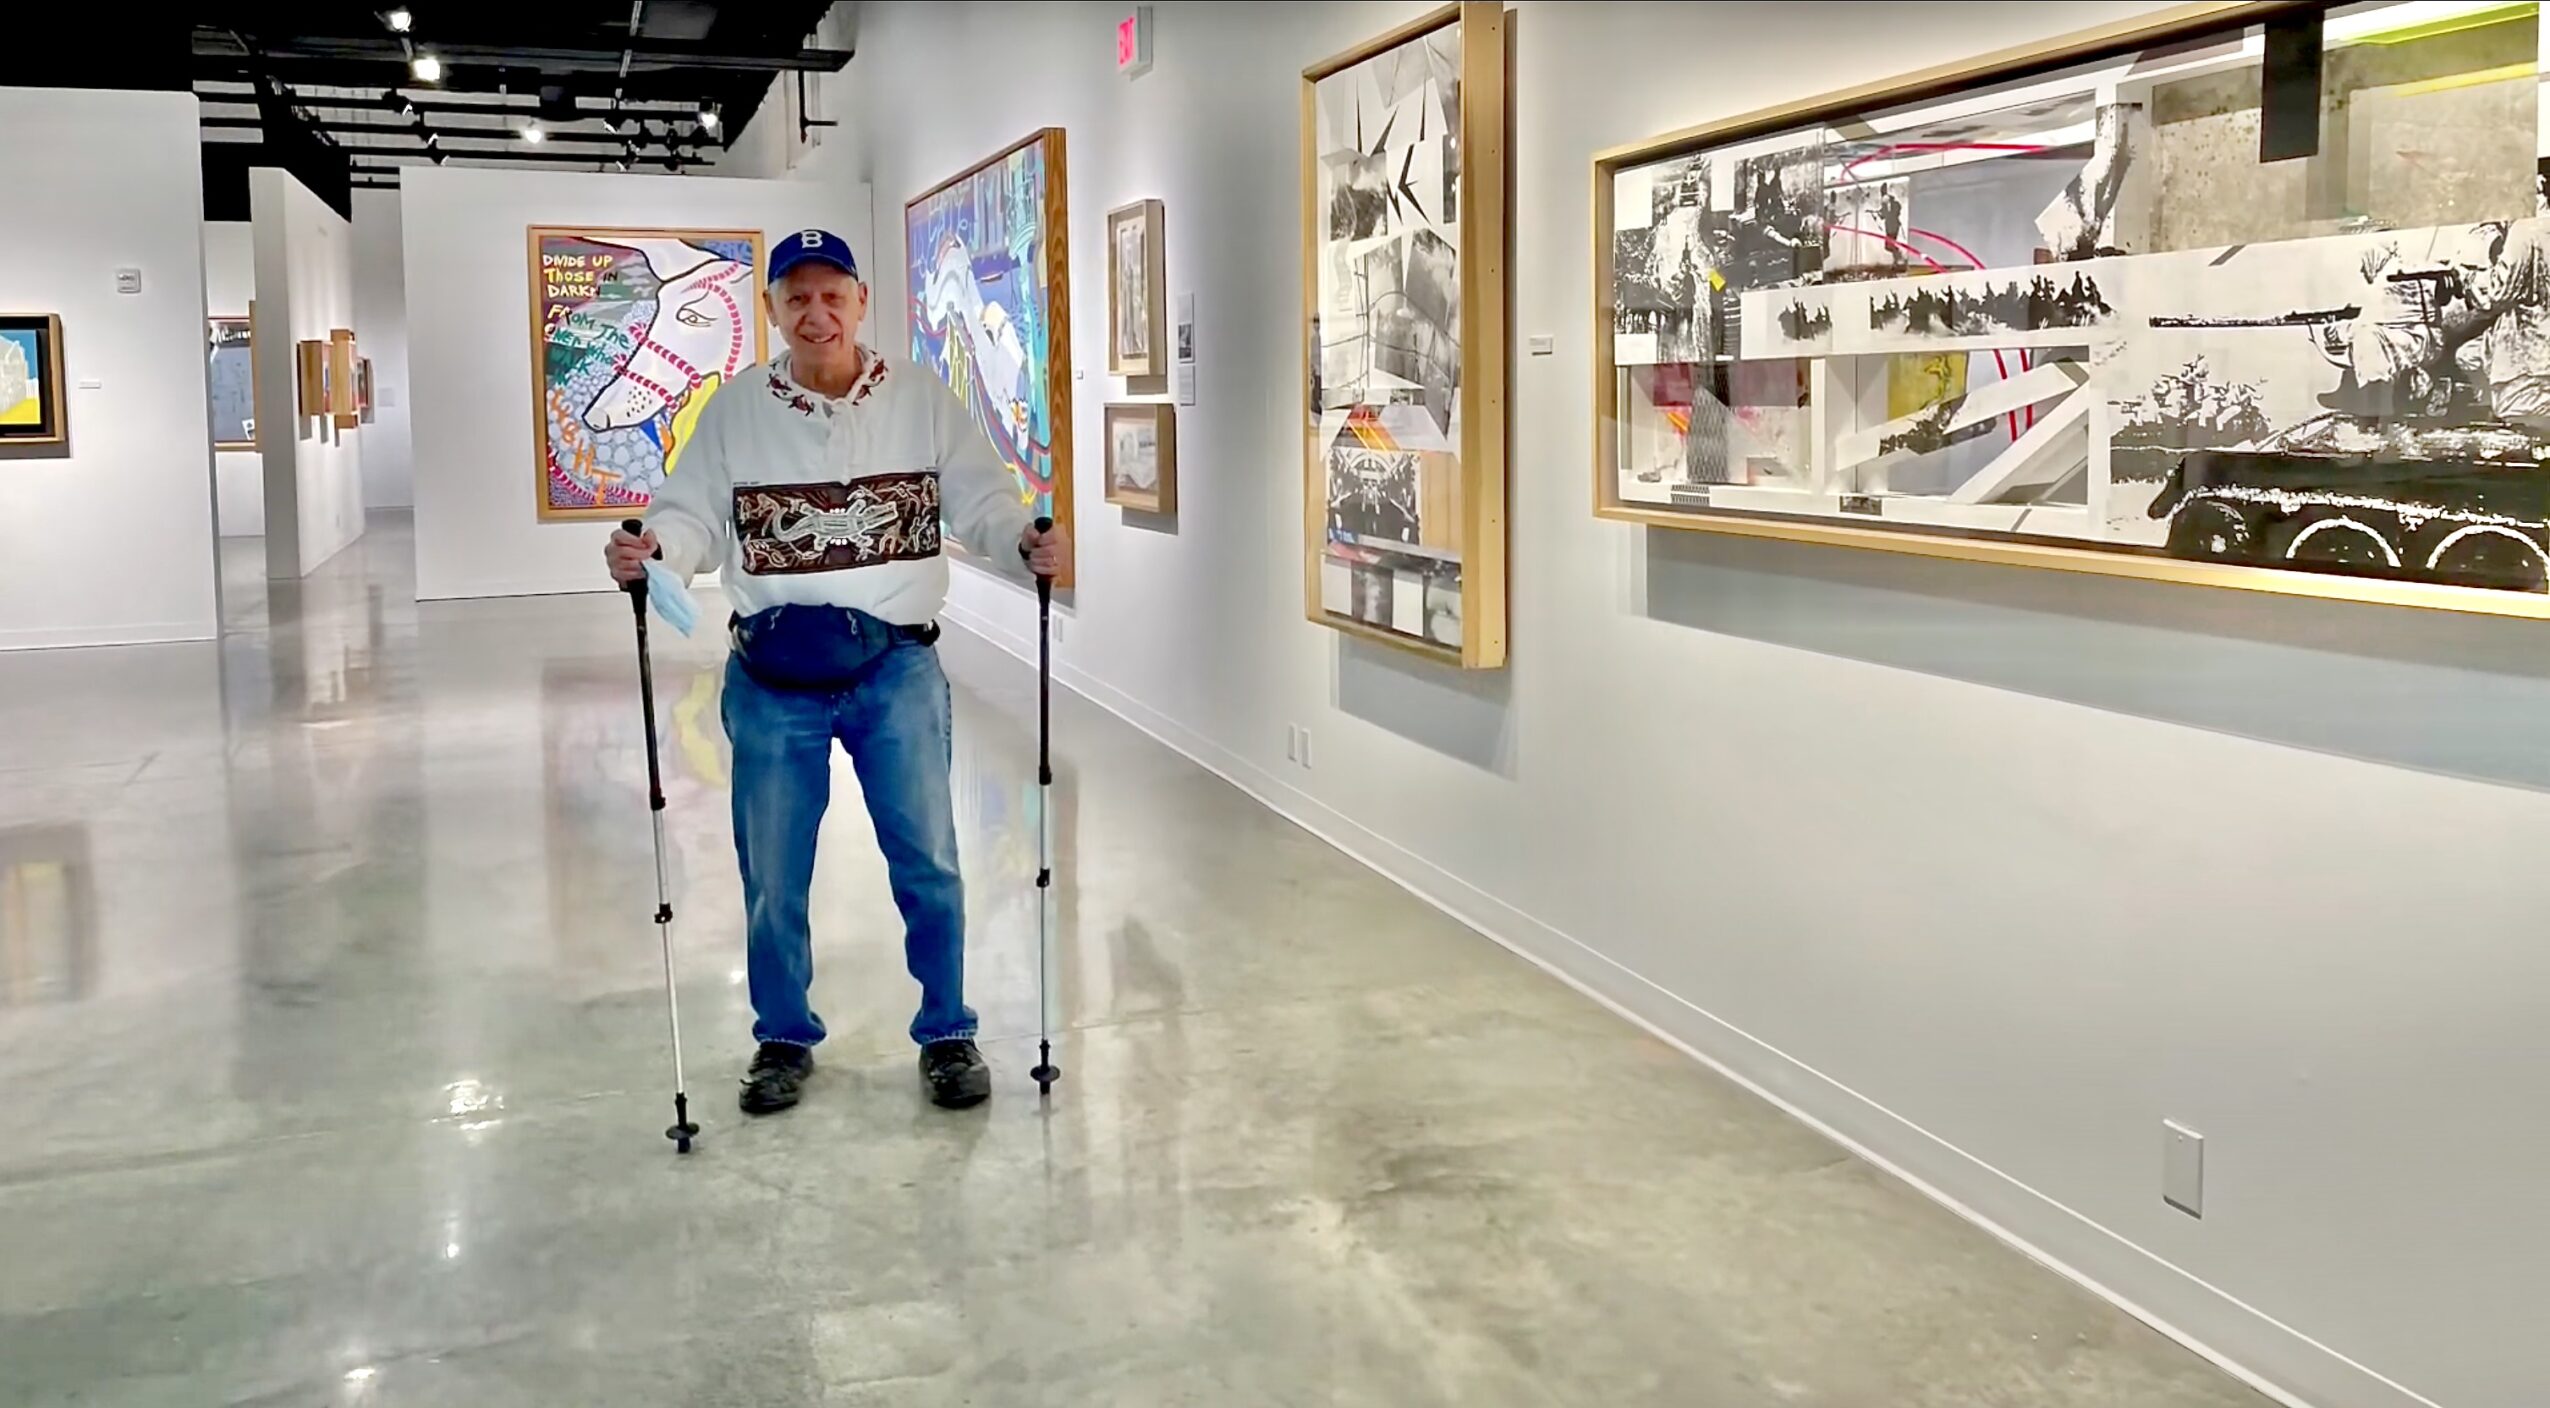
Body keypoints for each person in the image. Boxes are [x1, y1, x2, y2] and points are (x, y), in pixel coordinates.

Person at [604, 228, 1069, 1113]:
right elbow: (691, 513)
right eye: (797, 298)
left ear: (860, 300)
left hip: (896, 664)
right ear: (773, 309)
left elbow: (981, 499)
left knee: (927, 858)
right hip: (771, 669)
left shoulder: (922, 399)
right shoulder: (737, 409)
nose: (816, 314)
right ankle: (782, 1036)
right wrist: (655, 550)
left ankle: (947, 1030)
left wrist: (1023, 542)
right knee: (773, 870)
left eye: (831, 295)